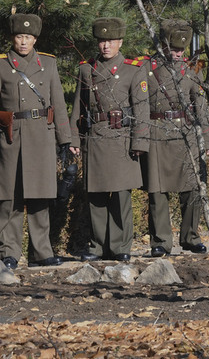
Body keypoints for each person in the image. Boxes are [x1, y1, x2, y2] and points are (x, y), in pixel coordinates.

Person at [0, 13, 71, 269]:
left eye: (28, 37)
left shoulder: (48, 64)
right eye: (19, 36)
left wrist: (65, 139)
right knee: (10, 198)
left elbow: (58, 104)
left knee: (41, 198)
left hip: (41, 135)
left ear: (35, 38)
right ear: (12, 38)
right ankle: (8, 252)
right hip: (12, 138)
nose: (24, 42)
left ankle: (41, 252)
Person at [69, 17, 149, 262]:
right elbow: (78, 108)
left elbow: (141, 108)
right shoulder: (86, 69)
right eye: (102, 41)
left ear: (120, 42)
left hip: (122, 139)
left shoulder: (133, 69)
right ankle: (96, 246)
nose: (106, 46)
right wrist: (74, 138)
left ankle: (121, 246)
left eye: (111, 41)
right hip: (95, 139)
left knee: (121, 197)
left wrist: (140, 142)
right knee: (96, 196)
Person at [141, 19, 209, 257]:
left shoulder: (193, 68)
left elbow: (200, 106)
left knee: (192, 188)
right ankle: (161, 241)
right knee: (157, 191)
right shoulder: (147, 67)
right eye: (174, 49)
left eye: (181, 50)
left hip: (186, 132)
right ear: (163, 45)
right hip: (156, 131)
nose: (178, 53)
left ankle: (190, 237)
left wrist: (208, 138)